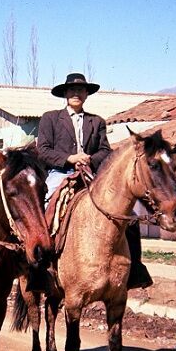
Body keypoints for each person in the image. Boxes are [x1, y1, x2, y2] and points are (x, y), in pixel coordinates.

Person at [37, 72, 152, 289]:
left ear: (86, 94)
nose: (76, 93)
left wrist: (88, 159)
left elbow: (104, 151)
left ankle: (135, 268)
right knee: (46, 207)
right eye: (72, 90)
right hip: (60, 173)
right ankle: (40, 269)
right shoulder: (50, 118)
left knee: (130, 216)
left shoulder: (96, 121)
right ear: (65, 93)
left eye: (80, 90)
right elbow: (42, 150)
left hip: (91, 175)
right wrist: (69, 159)